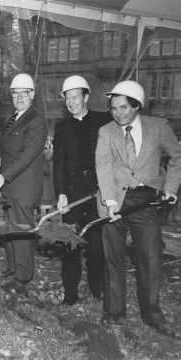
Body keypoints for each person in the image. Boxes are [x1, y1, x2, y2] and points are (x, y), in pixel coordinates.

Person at [96, 80, 181, 338]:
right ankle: (114, 310)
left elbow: (177, 157)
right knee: (113, 257)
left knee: (151, 258)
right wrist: (109, 202)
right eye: (113, 108)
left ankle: (153, 315)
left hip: (145, 201)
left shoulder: (158, 127)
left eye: (123, 107)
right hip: (114, 201)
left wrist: (171, 187)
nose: (118, 113)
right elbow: (103, 167)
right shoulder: (106, 131)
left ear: (137, 106)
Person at [53, 75, 112, 305]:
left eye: (75, 97)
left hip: (98, 190)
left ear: (86, 97)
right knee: (71, 243)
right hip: (73, 191)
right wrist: (60, 192)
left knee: (97, 246)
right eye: (67, 99)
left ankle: (96, 286)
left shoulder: (104, 120)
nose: (71, 103)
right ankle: (70, 292)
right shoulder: (62, 128)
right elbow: (58, 165)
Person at [0, 74, 48, 285]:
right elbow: (11, 149)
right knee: (10, 228)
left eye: (24, 93)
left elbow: (27, 155)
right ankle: (12, 267)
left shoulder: (36, 121)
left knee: (22, 230)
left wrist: (4, 175)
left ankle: (23, 276)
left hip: (24, 187)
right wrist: (2, 161)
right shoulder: (13, 118)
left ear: (32, 94)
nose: (19, 97)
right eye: (15, 93)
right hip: (11, 186)